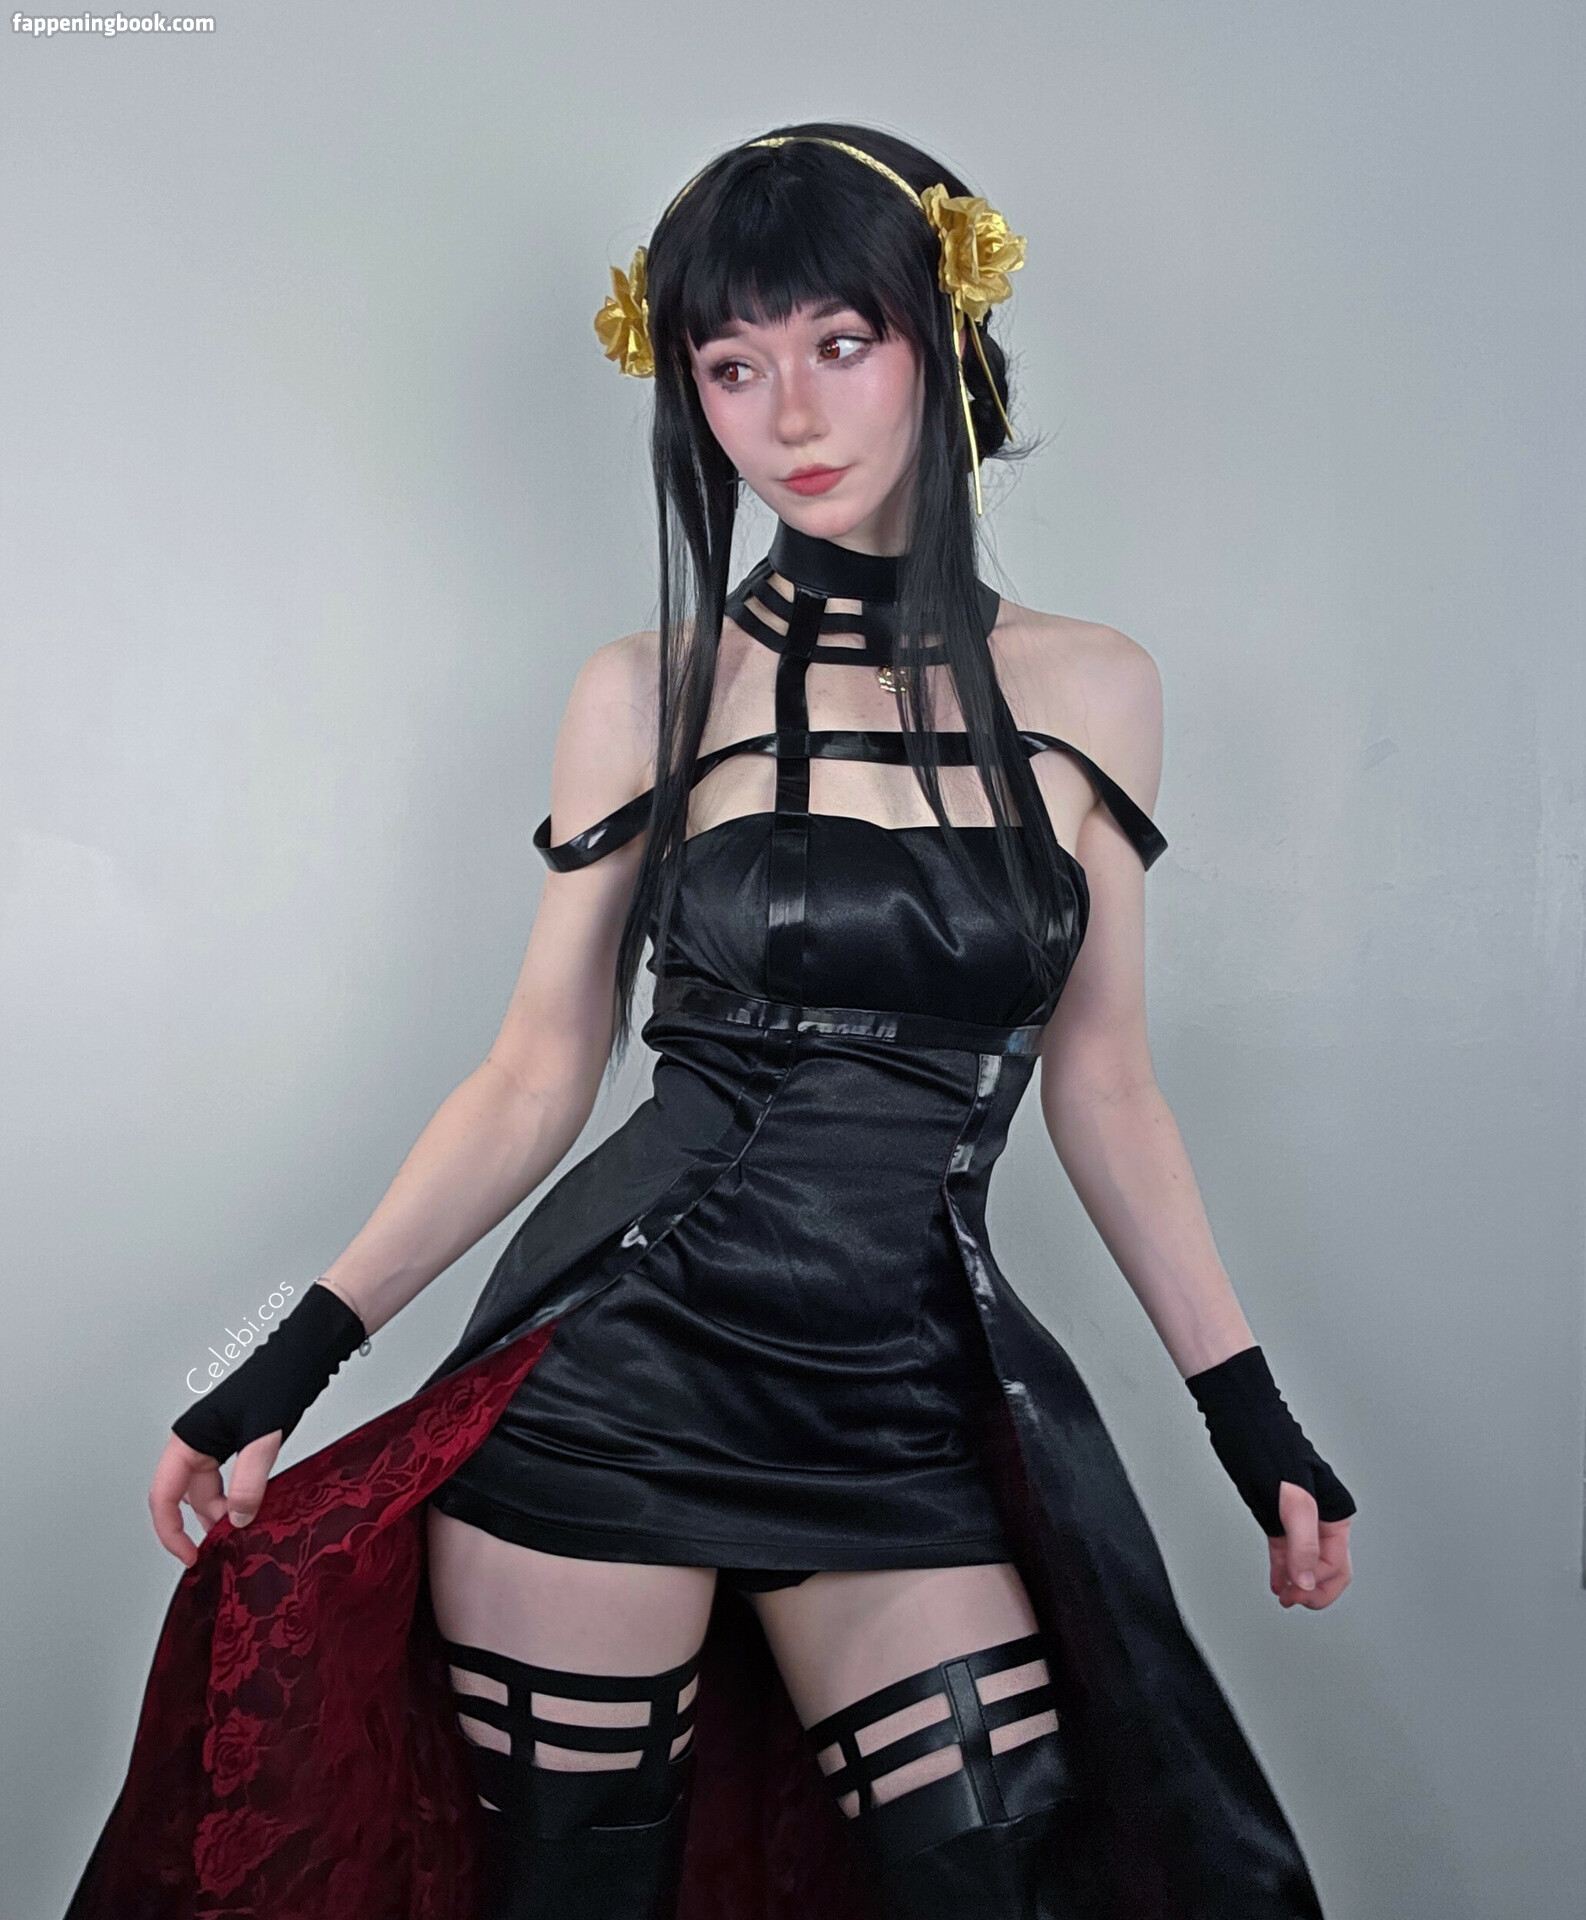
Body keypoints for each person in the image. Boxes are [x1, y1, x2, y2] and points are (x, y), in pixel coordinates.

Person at [69, 124, 1355, 1920]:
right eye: (731, 367)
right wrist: (280, 1366)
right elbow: (535, 1074)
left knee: (1000, 1878)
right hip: (616, 1388)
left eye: (839, 342)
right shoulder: (648, 692)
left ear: (938, 335)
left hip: (897, 1405)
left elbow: (1107, 1087)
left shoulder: (1093, 687)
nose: (788, 414)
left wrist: (1249, 1419)